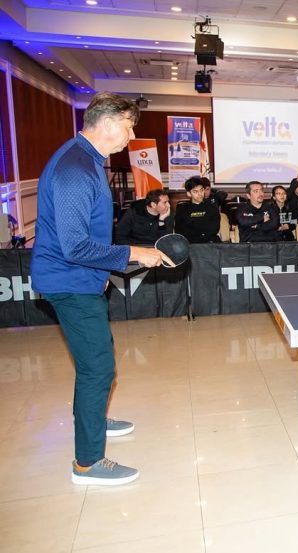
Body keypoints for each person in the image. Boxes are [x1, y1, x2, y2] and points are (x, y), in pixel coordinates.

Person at [30, 92, 171, 486]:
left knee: (97, 357)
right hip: (69, 281)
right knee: (98, 367)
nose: (131, 135)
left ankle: (95, 420)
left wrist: (105, 268)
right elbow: (75, 245)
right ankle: (87, 463)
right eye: (128, 127)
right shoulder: (76, 168)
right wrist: (134, 253)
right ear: (108, 123)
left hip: (82, 277)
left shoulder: (87, 159)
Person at [175, 176, 221, 243]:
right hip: (190, 243)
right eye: (195, 191)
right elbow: (179, 231)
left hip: (209, 242)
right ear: (189, 193)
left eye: (201, 190)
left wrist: (192, 224)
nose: (200, 194)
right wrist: (201, 225)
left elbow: (214, 229)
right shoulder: (182, 209)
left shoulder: (212, 207)